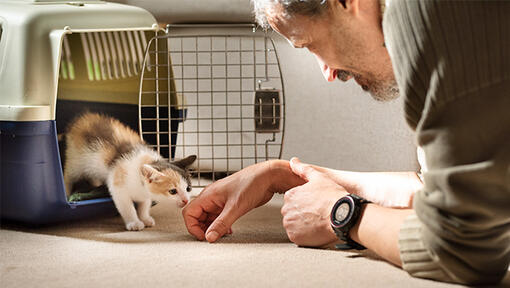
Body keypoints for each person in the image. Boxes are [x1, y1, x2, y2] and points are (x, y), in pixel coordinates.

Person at [182, 0, 510, 285]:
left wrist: (340, 213)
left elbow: (463, 247)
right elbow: (448, 189)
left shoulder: (428, 15)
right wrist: (284, 174)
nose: (326, 72)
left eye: (309, 44)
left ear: (346, 3)